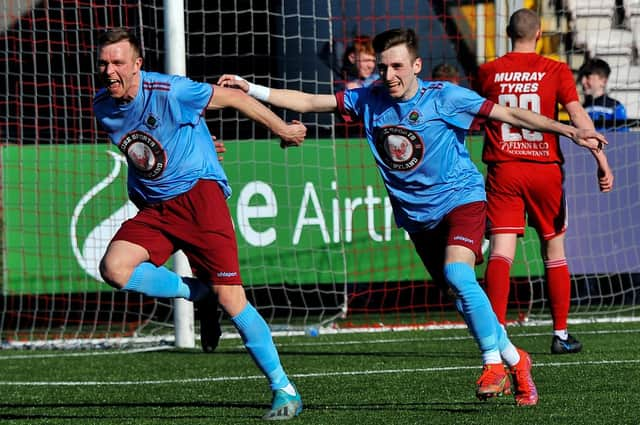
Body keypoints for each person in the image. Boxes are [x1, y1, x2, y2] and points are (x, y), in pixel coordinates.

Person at [219, 28, 608, 406]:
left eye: (398, 67)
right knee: (460, 298)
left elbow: (510, 114)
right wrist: (248, 88)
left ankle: (492, 365)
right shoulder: (368, 99)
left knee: (459, 275)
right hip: (418, 218)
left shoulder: (446, 97)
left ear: (417, 65)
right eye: (384, 67)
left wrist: (569, 131)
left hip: (462, 200)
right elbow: (307, 102)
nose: (390, 75)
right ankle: (515, 359)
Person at [93, 28, 304, 421]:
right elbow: (149, 146)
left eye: (118, 62)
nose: (109, 70)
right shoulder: (102, 106)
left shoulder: (170, 89)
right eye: (103, 63)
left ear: (137, 65)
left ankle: (284, 389)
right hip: (157, 207)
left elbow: (235, 97)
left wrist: (283, 130)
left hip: (199, 200)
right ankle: (198, 294)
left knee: (232, 299)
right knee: (115, 269)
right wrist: (204, 141)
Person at [474, 8, 614, 355]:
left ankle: (497, 335)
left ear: (507, 33)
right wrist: (601, 159)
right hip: (544, 169)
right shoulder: (556, 69)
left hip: (503, 168)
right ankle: (561, 334)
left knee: (502, 252)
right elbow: (578, 117)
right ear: (539, 34)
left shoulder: (488, 72)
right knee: (554, 249)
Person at [579, 57, 628, 131]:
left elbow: (623, 135)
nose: (583, 81)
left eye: (587, 76)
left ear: (603, 81)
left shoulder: (615, 107)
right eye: (581, 77)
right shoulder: (581, 108)